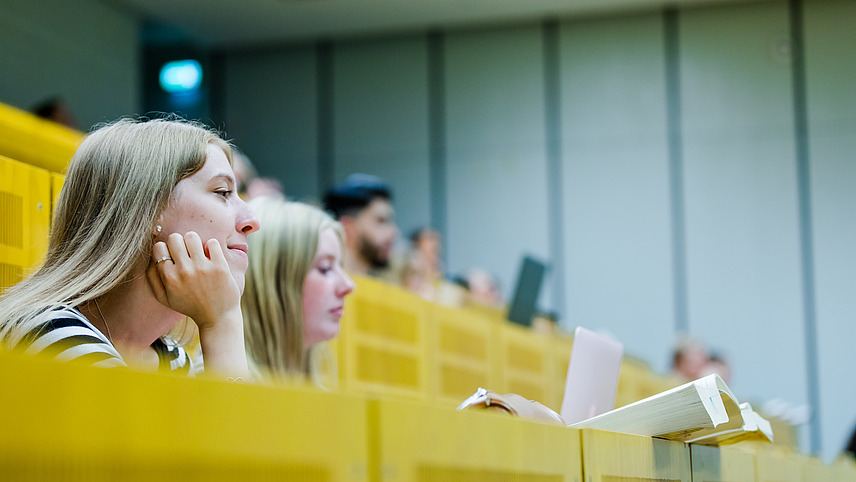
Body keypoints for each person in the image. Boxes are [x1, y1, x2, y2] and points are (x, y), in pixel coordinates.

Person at [0, 117, 259, 379]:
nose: (251, 220)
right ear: (150, 210)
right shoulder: (53, 336)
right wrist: (222, 322)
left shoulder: (169, 357)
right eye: (223, 192)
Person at [241, 196, 355, 383]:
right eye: (325, 268)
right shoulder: (214, 373)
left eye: (340, 266)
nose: (348, 285)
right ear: (273, 280)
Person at [322, 174, 399, 278]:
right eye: (380, 221)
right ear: (347, 227)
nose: (393, 232)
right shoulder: (331, 292)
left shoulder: (378, 290)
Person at [401, 227, 444, 300]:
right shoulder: (409, 266)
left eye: (437, 240)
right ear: (416, 244)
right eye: (430, 239)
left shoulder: (439, 270)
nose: (435, 244)